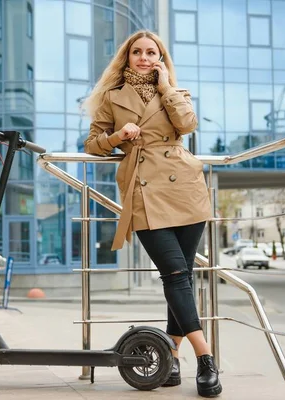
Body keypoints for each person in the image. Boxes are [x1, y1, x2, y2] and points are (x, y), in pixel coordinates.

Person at [83, 30, 222, 397]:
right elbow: (92, 144)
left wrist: (165, 87)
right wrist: (117, 137)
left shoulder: (176, 93)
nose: (144, 58)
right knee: (175, 274)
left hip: (186, 191)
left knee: (182, 278)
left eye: (152, 52)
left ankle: (172, 358)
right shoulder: (111, 99)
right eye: (137, 52)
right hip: (143, 193)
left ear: (160, 58)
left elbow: (187, 125)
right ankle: (206, 358)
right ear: (126, 58)